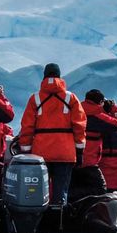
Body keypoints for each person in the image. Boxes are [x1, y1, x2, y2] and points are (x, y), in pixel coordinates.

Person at [19, 63, 86, 208]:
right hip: (65, 152)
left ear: (44, 77)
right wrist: (79, 150)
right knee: (60, 192)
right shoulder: (71, 98)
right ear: (59, 76)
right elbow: (79, 126)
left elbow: (27, 127)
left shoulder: (35, 99)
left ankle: (39, 220)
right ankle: (59, 221)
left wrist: (25, 151)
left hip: (40, 153)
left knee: (39, 191)